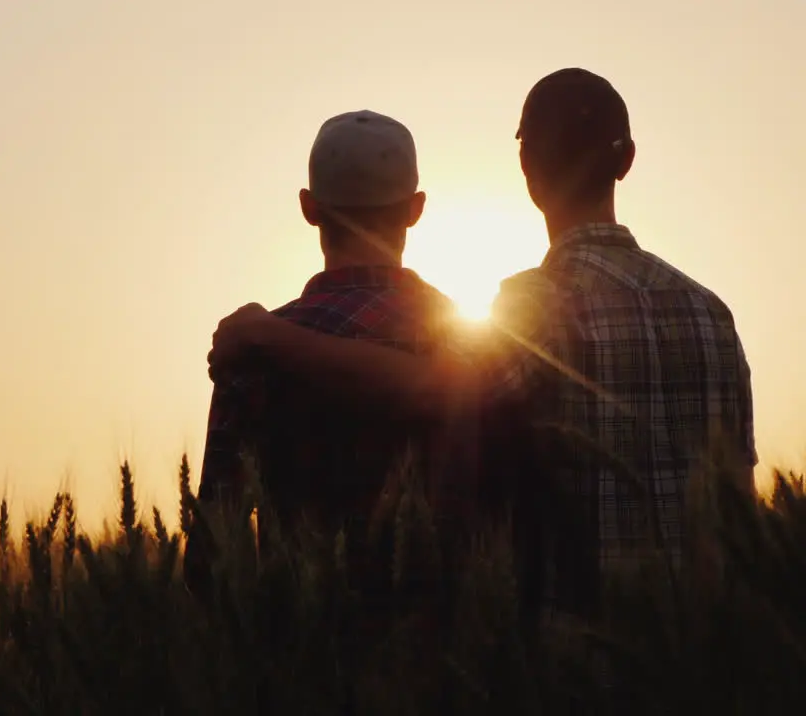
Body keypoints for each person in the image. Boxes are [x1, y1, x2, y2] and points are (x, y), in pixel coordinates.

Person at [205, 68, 758, 617]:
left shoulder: (532, 309)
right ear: (626, 159)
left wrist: (272, 335)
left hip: (568, 670)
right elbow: (742, 515)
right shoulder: (714, 315)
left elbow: (433, 392)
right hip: (703, 661)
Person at [184, 110, 460, 601]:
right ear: (416, 209)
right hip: (443, 656)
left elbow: (213, 545)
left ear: (309, 208)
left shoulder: (253, 348)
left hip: (299, 651)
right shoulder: (468, 340)